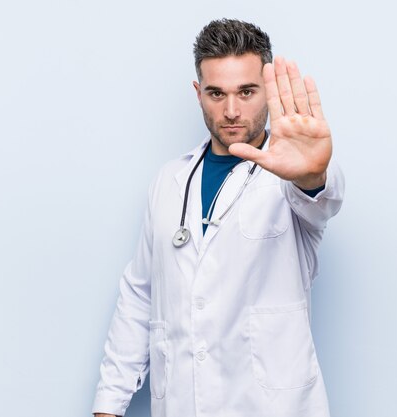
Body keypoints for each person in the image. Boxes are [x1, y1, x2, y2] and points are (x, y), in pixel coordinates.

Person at [92, 18, 344, 417]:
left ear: (269, 90)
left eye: (246, 92)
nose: (231, 110)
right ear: (198, 93)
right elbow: (139, 296)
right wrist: (109, 403)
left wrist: (312, 174)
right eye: (216, 93)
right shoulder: (169, 181)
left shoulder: (289, 179)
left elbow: (321, 200)